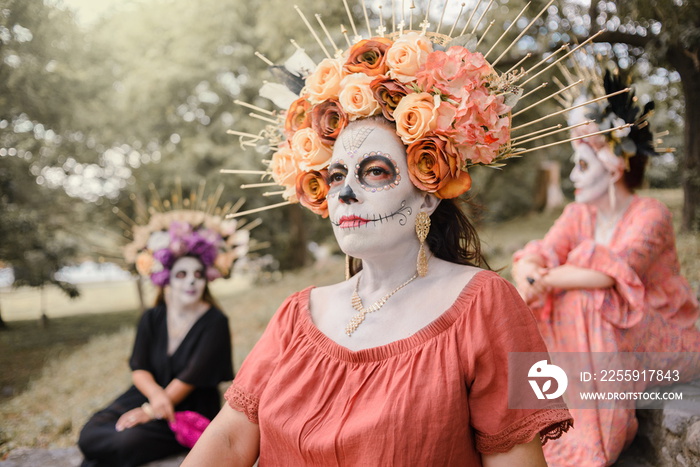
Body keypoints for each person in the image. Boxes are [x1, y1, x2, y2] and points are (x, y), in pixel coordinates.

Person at [182, 5, 580, 462]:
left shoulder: (491, 304)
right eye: (334, 177)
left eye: (374, 171)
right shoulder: (295, 316)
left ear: (429, 192)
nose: (345, 192)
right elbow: (231, 441)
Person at [511, 67, 700, 466]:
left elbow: (609, 273)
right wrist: (532, 274)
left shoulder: (651, 213)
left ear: (614, 165)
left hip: (665, 335)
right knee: (538, 303)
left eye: (582, 165)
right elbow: (538, 253)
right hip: (610, 340)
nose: (572, 175)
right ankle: (543, 425)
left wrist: (548, 278)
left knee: (589, 298)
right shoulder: (579, 214)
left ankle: (592, 443)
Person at [78, 203, 249, 466]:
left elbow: (190, 377)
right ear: (167, 278)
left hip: (189, 405)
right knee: (89, 435)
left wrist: (150, 411)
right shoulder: (152, 317)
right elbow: (139, 367)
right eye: (181, 274)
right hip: (149, 393)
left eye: (198, 274)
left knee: (124, 442)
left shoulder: (215, 321)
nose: (191, 281)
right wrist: (154, 398)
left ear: (207, 278)